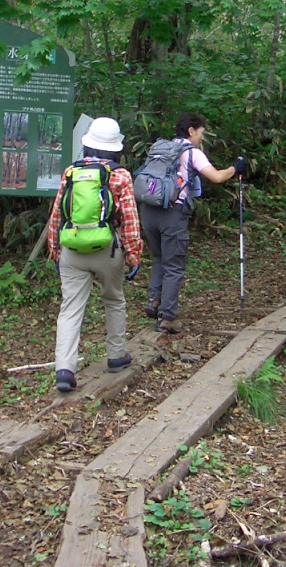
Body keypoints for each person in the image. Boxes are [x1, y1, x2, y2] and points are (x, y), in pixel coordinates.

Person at [46, 117, 143, 392]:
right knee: (113, 300)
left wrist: (55, 251)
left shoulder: (70, 173)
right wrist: (133, 254)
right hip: (107, 249)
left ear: (88, 144)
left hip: (72, 249)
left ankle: (65, 369)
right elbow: (130, 220)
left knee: (70, 309)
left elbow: (57, 215)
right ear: (115, 148)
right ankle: (116, 356)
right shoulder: (120, 175)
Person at [140, 113, 247, 333]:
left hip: (148, 211)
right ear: (191, 131)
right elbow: (216, 177)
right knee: (175, 265)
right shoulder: (191, 152)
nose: (201, 137)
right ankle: (167, 318)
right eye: (201, 133)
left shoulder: (161, 149)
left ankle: (154, 300)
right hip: (172, 213)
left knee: (160, 257)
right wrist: (235, 168)